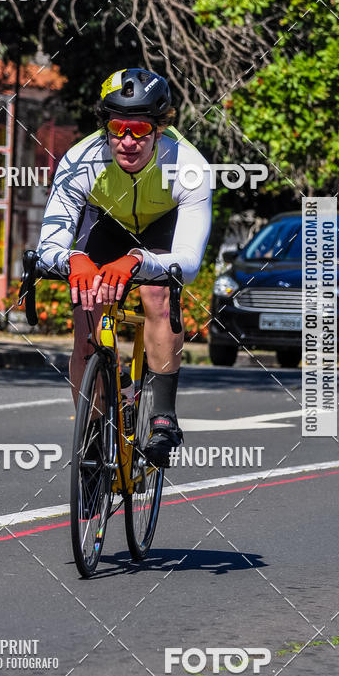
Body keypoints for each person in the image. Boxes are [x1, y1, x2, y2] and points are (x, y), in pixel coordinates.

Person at [36, 67, 212, 465]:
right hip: (106, 225)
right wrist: (74, 259)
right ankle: (93, 434)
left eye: (139, 129)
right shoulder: (80, 160)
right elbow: (49, 245)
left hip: (160, 232)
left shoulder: (189, 167)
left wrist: (137, 260)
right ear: (106, 127)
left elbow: (187, 262)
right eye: (118, 128)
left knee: (157, 292)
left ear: (159, 129)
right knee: (87, 310)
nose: (127, 141)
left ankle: (164, 418)